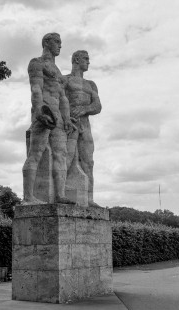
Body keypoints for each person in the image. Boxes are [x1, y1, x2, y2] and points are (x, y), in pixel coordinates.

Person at [22, 33, 75, 205]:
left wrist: (66, 118)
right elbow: (36, 89)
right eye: (57, 42)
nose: (60, 45)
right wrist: (38, 110)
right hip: (44, 112)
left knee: (61, 154)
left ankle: (60, 195)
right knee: (35, 154)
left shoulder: (58, 71)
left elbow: (63, 97)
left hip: (58, 117)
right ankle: (28, 197)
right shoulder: (37, 63)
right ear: (46, 42)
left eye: (61, 42)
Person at [64, 50, 102, 207]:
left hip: (85, 125)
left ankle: (89, 198)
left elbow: (98, 106)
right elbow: (59, 99)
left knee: (89, 161)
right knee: (66, 158)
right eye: (86, 59)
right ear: (76, 60)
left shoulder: (91, 84)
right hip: (69, 124)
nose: (89, 62)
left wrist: (85, 109)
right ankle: (59, 194)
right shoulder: (65, 80)